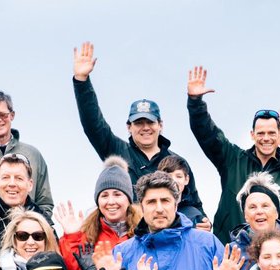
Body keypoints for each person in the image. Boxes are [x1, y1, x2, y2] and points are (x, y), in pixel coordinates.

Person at [71, 42, 203, 209]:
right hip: (130, 233)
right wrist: (82, 82)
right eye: (139, 123)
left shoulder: (177, 163)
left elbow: (194, 204)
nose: (145, 127)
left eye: (150, 122)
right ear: (129, 127)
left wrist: (203, 221)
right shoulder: (117, 151)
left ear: (160, 125)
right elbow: (93, 124)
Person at [186, 66, 280, 242]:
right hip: (226, 248)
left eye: (271, 133)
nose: (266, 138)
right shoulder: (233, 159)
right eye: (260, 133)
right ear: (252, 135)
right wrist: (195, 102)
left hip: (267, 257)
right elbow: (207, 134)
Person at [158, 155, 209, 228]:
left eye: (179, 176)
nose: (174, 180)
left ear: (186, 179)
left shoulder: (195, 216)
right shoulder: (149, 210)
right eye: (168, 176)